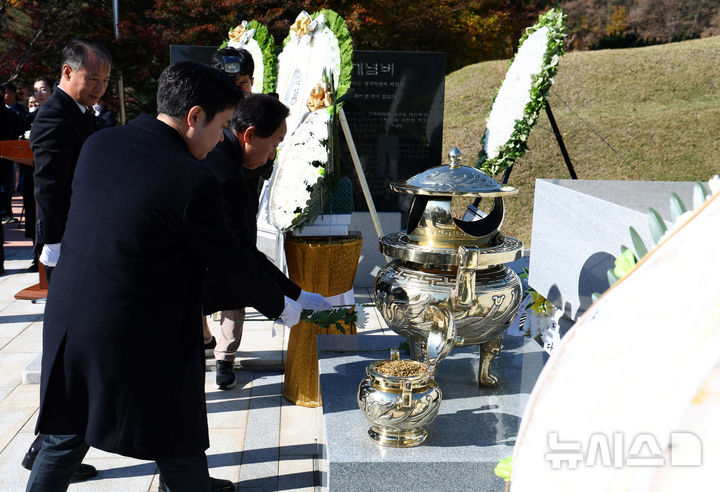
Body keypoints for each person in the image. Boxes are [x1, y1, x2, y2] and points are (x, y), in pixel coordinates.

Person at [25, 61, 305, 492]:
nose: (221, 140)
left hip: (70, 316)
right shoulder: (192, 178)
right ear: (194, 117)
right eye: (223, 125)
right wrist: (285, 306)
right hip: (138, 327)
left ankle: (194, 483)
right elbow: (230, 258)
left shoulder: (102, 143)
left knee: (67, 430)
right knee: (174, 425)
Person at [24, 38, 112, 483]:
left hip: (81, 239)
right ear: (66, 73)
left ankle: (47, 448)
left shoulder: (81, 114)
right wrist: (53, 245)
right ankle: (50, 447)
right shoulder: (54, 116)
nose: (98, 87)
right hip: (67, 244)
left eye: (104, 80)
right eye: (91, 78)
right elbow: (48, 186)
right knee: (65, 347)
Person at [202, 93, 331, 389]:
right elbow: (238, 254)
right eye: (274, 143)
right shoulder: (225, 173)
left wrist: (296, 295)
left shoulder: (229, 157)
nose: (273, 154)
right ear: (248, 134)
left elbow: (244, 248)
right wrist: (279, 304)